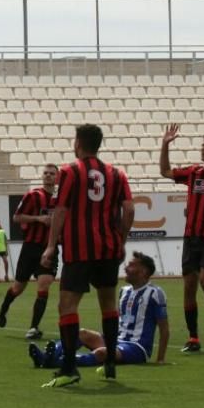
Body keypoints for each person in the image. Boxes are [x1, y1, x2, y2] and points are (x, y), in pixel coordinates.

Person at [41, 124, 134, 387]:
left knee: (67, 306)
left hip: (79, 250)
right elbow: (129, 209)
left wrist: (50, 246)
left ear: (78, 143)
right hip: (107, 248)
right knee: (108, 304)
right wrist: (122, 241)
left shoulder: (69, 172)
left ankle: (69, 368)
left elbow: (60, 211)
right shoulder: (117, 174)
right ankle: (110, 365)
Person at [29, 252, 170, 370]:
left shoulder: (155, 293)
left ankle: (56, 362)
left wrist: (160, 359)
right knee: (82, 333)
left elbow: (164, 328)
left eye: (131, 265)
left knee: (103, 353)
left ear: (144, 271)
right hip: (116, 340)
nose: (126, 268)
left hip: (136, 347)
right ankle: (48, 356)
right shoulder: (124, 291)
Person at [159, 125, 204, 352]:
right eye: (202, 146)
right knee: (189, 288)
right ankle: (193, 338)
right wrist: (165, 145)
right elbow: (165, 172)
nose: (202, 149)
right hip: (191, 237)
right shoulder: (194, 172)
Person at [0, 164, 59, 339]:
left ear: (57, 177)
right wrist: (38, 218)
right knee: (18, 288)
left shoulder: (62, 198)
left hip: (50, 248)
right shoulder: (33, 195)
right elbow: (16, 217)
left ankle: (33, 327)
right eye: (45, 173)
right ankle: (4, 309)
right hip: (30, 248)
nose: (48, 176)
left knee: (44, 284)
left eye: (52, 174)